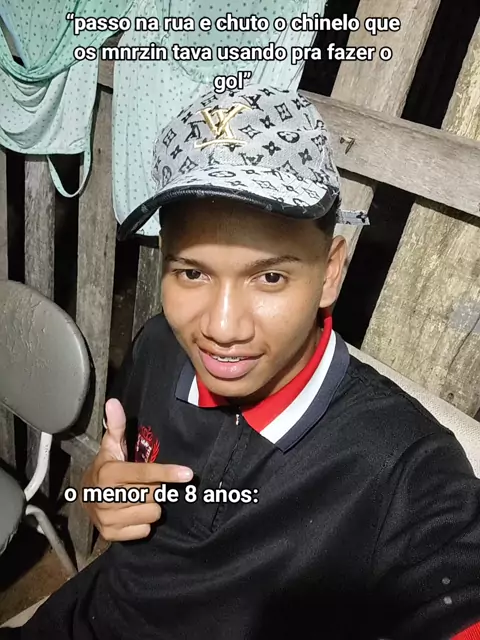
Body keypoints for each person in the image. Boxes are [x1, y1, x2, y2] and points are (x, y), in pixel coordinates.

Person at [2, 84, 480, 640]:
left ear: (330, 273)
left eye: (270, 276)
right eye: (192, 272)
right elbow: (121, 472)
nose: (222, 328)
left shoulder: (404, 468)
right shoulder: (159, 346)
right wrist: (101, 491)